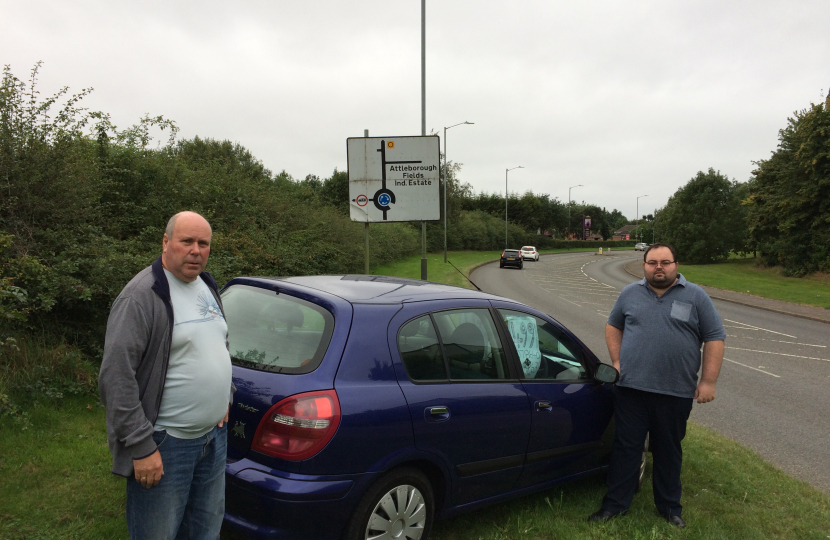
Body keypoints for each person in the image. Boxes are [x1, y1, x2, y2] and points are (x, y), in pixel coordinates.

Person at [99, 211, 235, 540]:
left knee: (205, 532)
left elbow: (219, 341)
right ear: (165, 242)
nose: (196, 250)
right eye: (186, 241)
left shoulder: (207, 284)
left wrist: (223, 398)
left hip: (212, 439)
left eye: (203, 244)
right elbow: (116, 377)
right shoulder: (142, 296)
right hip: (165, 443)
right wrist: (141, 447)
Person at [588, 243, 725, 529]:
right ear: (644, 266)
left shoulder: (696, 296)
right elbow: (613, 325)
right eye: (652, 262)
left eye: (665, 262)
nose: (658, 267)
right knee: (627, 447)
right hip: (631, 389)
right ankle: (615, 505)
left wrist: (708, 381)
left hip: (675, 392)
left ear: (676, 265)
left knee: (667, 450)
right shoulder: (630, 293)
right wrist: (616, 361)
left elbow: (714, 337)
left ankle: (669, 508)